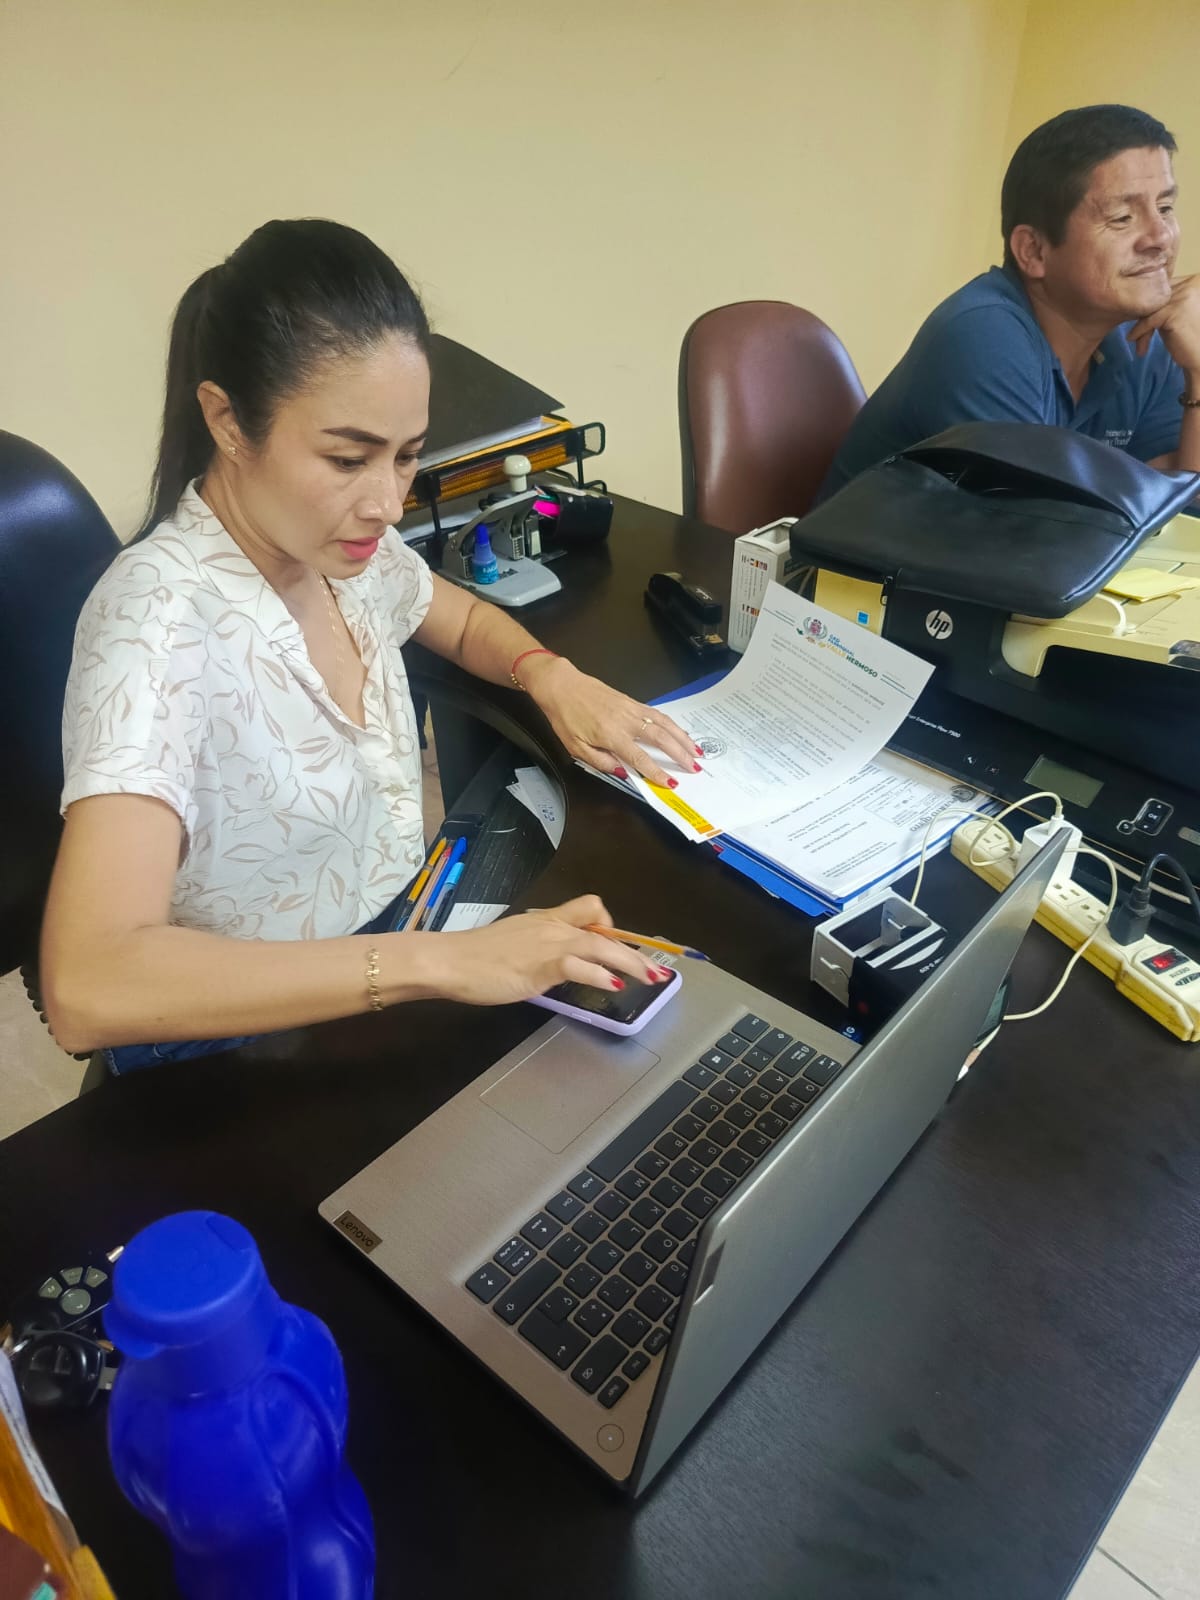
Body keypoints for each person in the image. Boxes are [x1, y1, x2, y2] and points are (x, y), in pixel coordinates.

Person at [41, 219, 701, 1072]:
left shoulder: (344, 549)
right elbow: (89, 984)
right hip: (238, 1045)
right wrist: (438, 964)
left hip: (385, 937)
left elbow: (461, 620)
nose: (388, 503)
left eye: (406, 457)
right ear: (228, 421)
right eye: (349, 458)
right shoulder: (156, 622)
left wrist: (551, 675)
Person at [821, 104, 1200, 497]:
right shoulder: (985, 335)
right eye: (1122, 217)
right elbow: (1035, 521)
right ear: (1033, 250)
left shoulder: (1147, 337)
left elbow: (1183, 506)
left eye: (1165, 208)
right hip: (871, 541)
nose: (1160, 237)